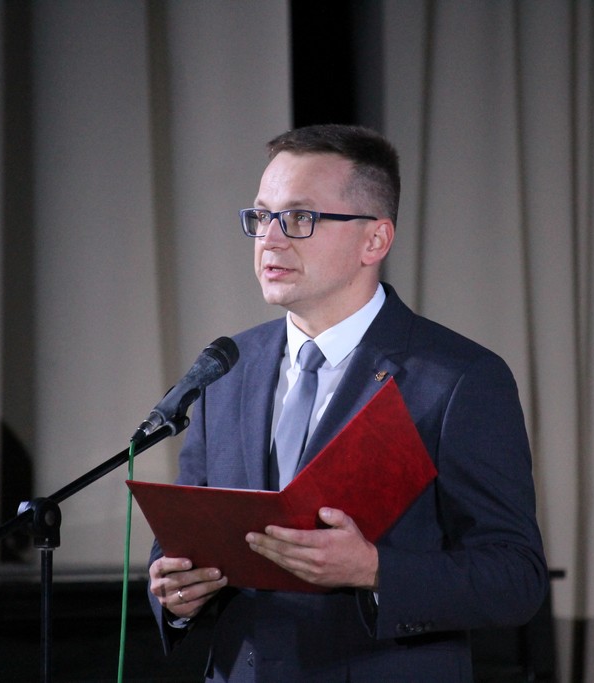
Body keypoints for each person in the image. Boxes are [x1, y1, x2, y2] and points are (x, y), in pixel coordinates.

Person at [147, 123, 547, 682]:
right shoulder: (228, 367)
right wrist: (174, 591)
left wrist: (375, 569)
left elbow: (515, 577)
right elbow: (184, 536)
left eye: (299, 218)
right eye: (261, 216)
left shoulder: (457, 379)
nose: (270, 239)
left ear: (374, 240)